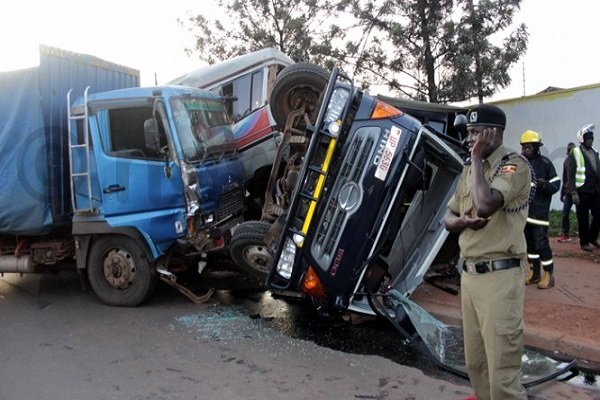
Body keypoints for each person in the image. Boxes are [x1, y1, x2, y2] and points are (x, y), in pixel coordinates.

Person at [444, 104, 530, 400]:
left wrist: (478, 158)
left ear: (494, 133)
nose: (469, 140)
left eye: (475, 133)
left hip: (499, 278)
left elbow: (485, 204)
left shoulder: (514, 165)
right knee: (476, 363)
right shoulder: (470, 169)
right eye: (468, 133)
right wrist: (461, 222)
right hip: (469, 277)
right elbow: (448, 217)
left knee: (502, 372)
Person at [520, 130, 560, 289]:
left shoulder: (545, 163)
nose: (524, 151)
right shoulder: (522, 163)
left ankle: (548, 275)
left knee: (541, 244)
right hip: (525, 214)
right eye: (523, 148)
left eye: (528, 148)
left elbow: (556, 184)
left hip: (539, 214)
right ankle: (534, 273)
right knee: (530, 246)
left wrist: (545, 185)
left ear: (536, 148)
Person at [564, 124, 600, 252]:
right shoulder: (576, 153)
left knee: (598, 215)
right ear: (582, 139)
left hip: (595, 190)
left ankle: (592, 237)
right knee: (583, 218)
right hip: (582, 191)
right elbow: (570, 174)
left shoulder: (595, 152)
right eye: (588, 138)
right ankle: (584, 242)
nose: (590, 140)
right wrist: (573, 192)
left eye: (591, 138)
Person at [558, 142, 576, 243]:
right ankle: (565, 234)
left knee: (582, 215)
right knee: (565, 213)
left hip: (578, 192)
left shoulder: (579, 161)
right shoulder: (566, 161)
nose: (571, 151)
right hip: (568, 192)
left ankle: (586, 237)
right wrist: (562, 193)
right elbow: (564, 178)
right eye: (569, 150)